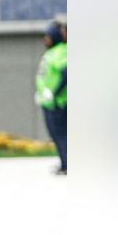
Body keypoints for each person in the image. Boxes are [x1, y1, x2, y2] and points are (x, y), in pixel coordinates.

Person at [36, 22, 67, 175]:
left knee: (61, 133)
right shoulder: (51, 52)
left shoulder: (62, 51)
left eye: (47, 36)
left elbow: (66, 74)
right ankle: (64, 162)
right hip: (48, 100)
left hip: (59, 101)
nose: (45, 40)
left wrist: (55, 92)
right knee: (55, 134)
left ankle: (67, 164)